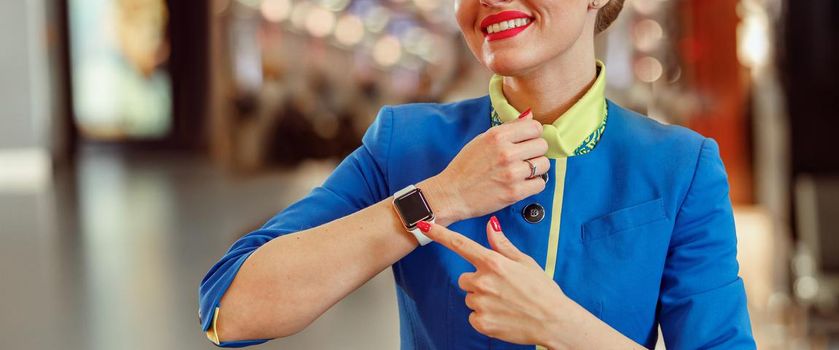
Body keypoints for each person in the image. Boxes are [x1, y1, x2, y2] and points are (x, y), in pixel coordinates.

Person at [198, 0, 756, 348]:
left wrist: (561, 327)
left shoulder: (679, 167)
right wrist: (438, 198)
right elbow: (231, 308)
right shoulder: (407, 144)